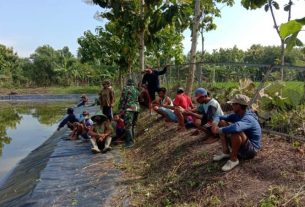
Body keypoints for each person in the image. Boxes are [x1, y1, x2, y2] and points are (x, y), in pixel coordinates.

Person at [211, 94, 262, 172]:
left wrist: (219, 130)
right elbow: (219, 116)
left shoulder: (249, 118)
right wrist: (215, 123)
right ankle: (226, 152)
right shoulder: (237, 115)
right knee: (222, 122)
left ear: (238, 105)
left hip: (250, 151)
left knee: (235, 131)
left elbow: (236, 127)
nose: (232, 106)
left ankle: (233, 159)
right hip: (242, 145)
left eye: (233, 104)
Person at [119, 79, 140, 148]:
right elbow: (139, 98)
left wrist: (121, 108)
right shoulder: (136, 89)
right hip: (136, 108)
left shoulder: (125, 89)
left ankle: (130, 142)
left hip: (129, 108)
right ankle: (133, 139)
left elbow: (123, 99)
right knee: (133, 124)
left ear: (127, 83)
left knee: (128, 125)